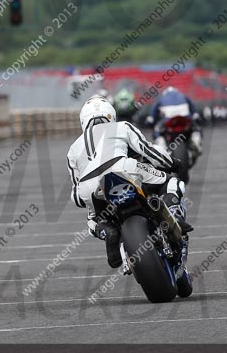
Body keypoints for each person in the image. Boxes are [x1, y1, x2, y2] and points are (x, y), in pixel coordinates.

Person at [66, 95, 193, 269]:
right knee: (173, 182)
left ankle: (107, 232)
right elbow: (148, 150)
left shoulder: (73, 148)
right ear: (111, 115)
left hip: (89, 187)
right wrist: (171, 163)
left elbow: (75, 194)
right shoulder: (122, 126)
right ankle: (173, 214)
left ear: (83, 121)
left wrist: (87, 198)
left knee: (93, 220)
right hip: (123, 168)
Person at [146, 87, 203, 157]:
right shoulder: (183, 95)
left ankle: (162, 147)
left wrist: (150, 121)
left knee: (157, 130)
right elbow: (194, 112)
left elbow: (152, 115)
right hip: (185, 117)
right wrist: (196, 119)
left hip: (169, 118)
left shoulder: (161, 98)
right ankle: (196, 138)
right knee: (196, 127)